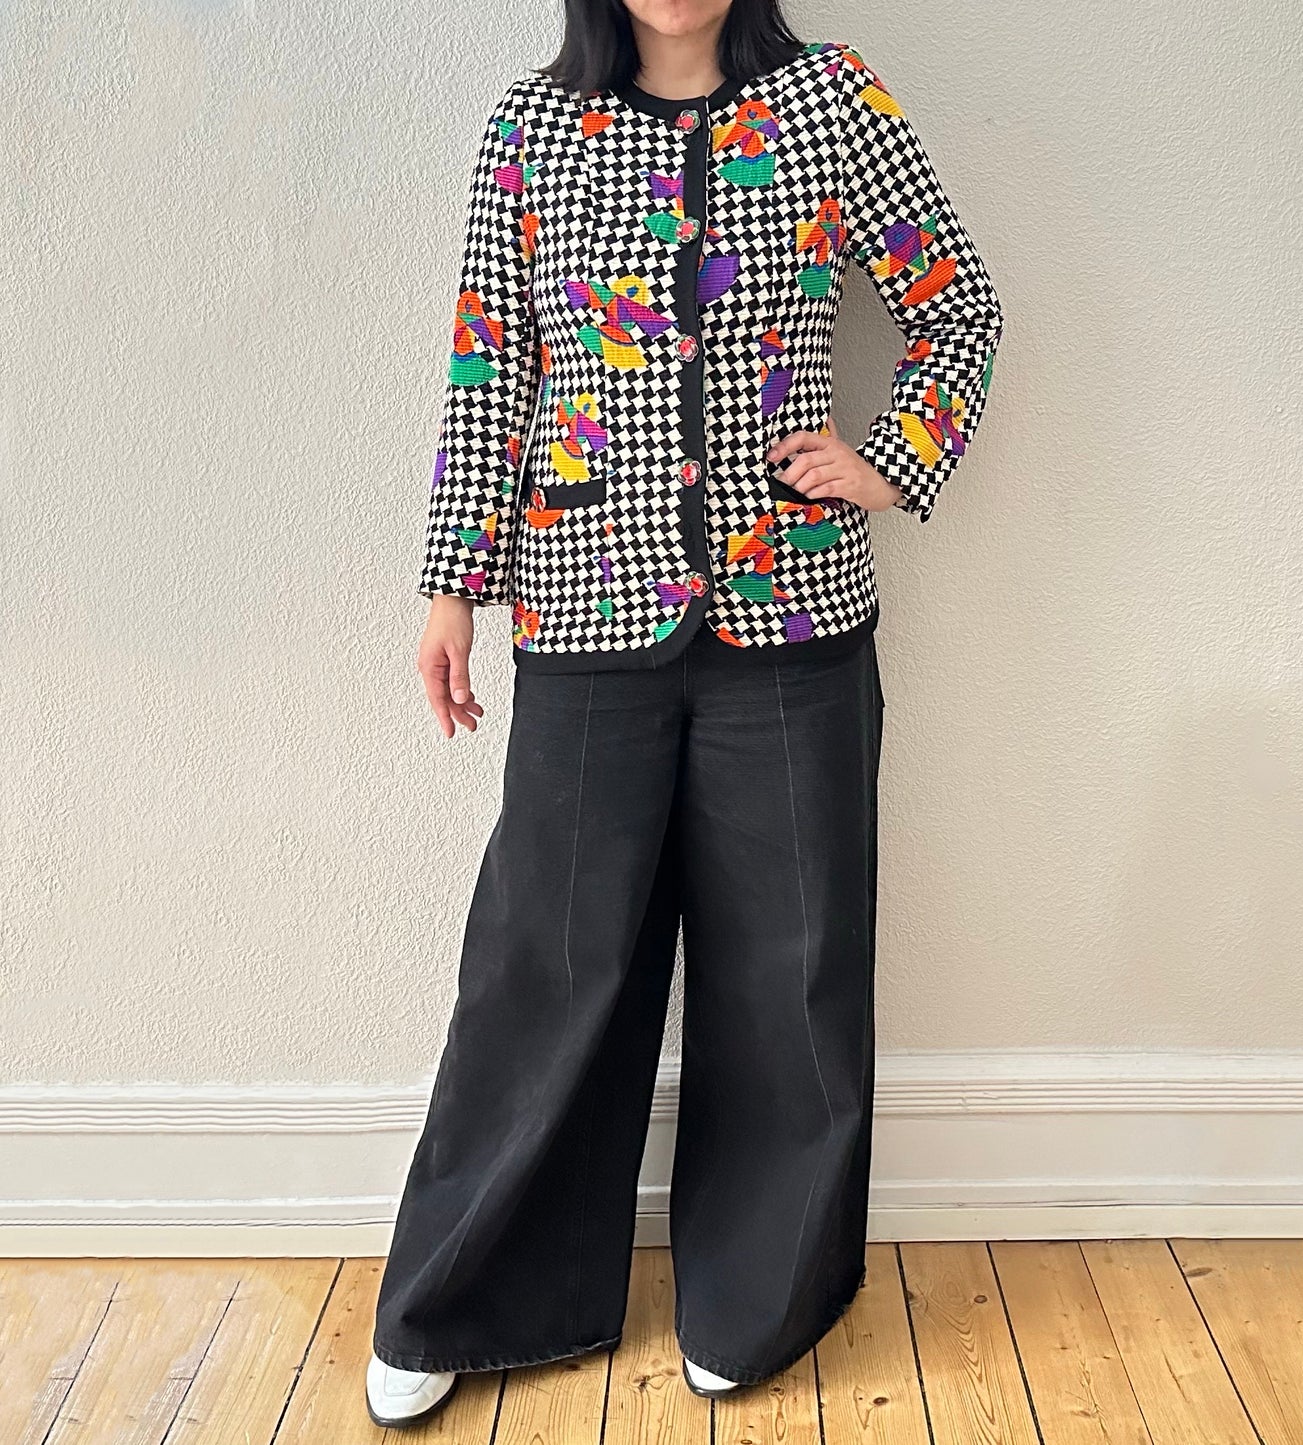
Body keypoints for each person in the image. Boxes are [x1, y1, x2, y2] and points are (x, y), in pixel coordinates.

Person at [366, 0, 1003, 1427]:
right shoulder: (531, 129)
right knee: (545, 966)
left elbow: (957, 304)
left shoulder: (833, 105)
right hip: (584, 603)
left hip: (794, 613)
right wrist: (452, 583)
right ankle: (466, 1296)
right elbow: (492, 370)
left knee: (791, 967)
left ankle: (758, 1297)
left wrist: (890, 456)